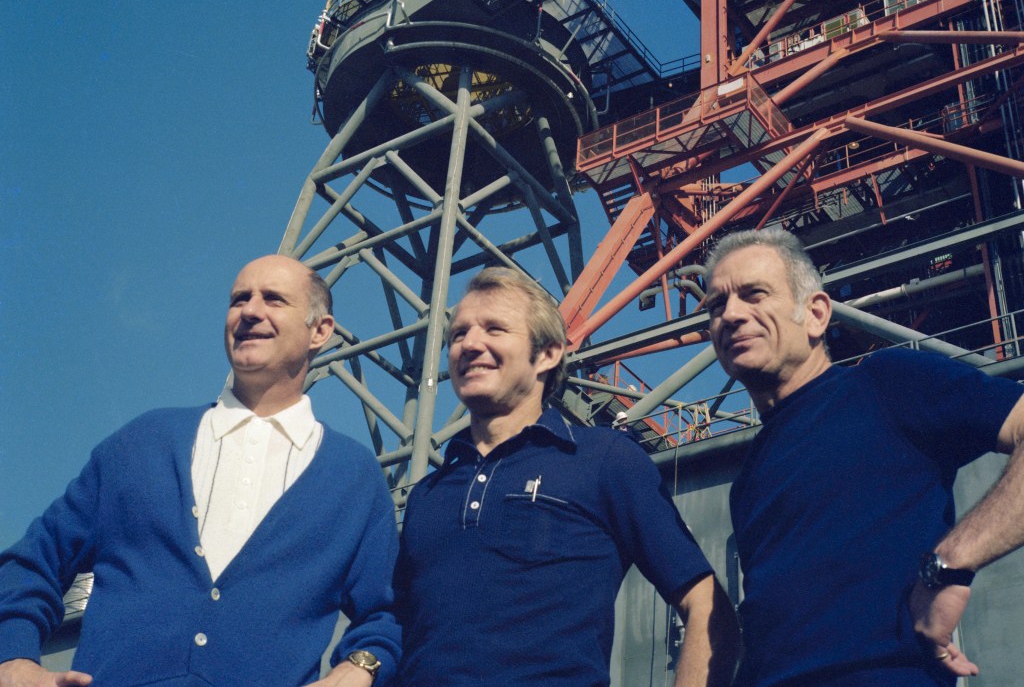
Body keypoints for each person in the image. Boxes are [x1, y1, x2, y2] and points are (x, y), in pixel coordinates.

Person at [0, 255, 400, 687]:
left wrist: (360, 666)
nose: (250, 311)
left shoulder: (353, 477)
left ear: (320, 331)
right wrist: (12, 659)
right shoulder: (143, 442)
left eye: (274, 299)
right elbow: (30, 562)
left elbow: (388, 614)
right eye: (239, 299)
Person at [704, 228, 1024, 686]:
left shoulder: (886, 384)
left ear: (815, 314)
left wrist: (952, 560)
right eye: (717, 305)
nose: (731, 314)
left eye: (754, 294)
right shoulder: (749, 479)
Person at [394, 266, 739, 686]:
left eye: (495, 329)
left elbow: (707, 606)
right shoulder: (427, 495)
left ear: (548, 353)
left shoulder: (604, 459)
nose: (470, 344)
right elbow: (396, 631)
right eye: (458, 334)